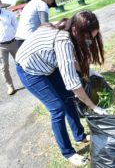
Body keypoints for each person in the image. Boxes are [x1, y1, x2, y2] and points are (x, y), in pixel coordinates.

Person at [15, 10, 107, 166]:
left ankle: (79, 136)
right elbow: (72, 82)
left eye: (93, 38)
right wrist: (94, 107)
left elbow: (70, 61)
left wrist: (89, 72)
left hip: (48, 64)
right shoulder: (63, 41)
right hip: (29, 69)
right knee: (57, 108)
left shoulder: (67, 28)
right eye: (87, 38)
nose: (90, 42)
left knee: (68, 98)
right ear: (76, 31)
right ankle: (68, 152)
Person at [0, 0, 18, 95]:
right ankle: (10, 86)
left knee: (21, 62)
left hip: (13, 42)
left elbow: (16, 26)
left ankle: (30, 80)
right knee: (4, 67)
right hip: (1, 46)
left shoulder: (9, 14)